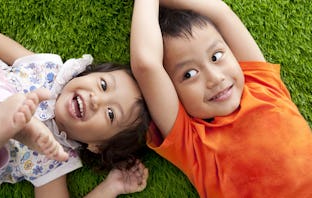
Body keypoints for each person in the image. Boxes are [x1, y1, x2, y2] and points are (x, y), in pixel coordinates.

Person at [130, 0, 312, 197]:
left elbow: (222, 13)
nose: (215, 79)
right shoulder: (191, 142)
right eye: (189, 74)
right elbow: (146, 65)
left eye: (216, 57)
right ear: (173, 92)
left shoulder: (263, 85)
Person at [0, 28, 149, 197]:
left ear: (97, 146)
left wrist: (111, 188)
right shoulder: (47, 69)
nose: (96, 100)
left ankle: (3, 124)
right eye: (103, 85)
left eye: (111, 114)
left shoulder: (55, 158)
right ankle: (6, 118)